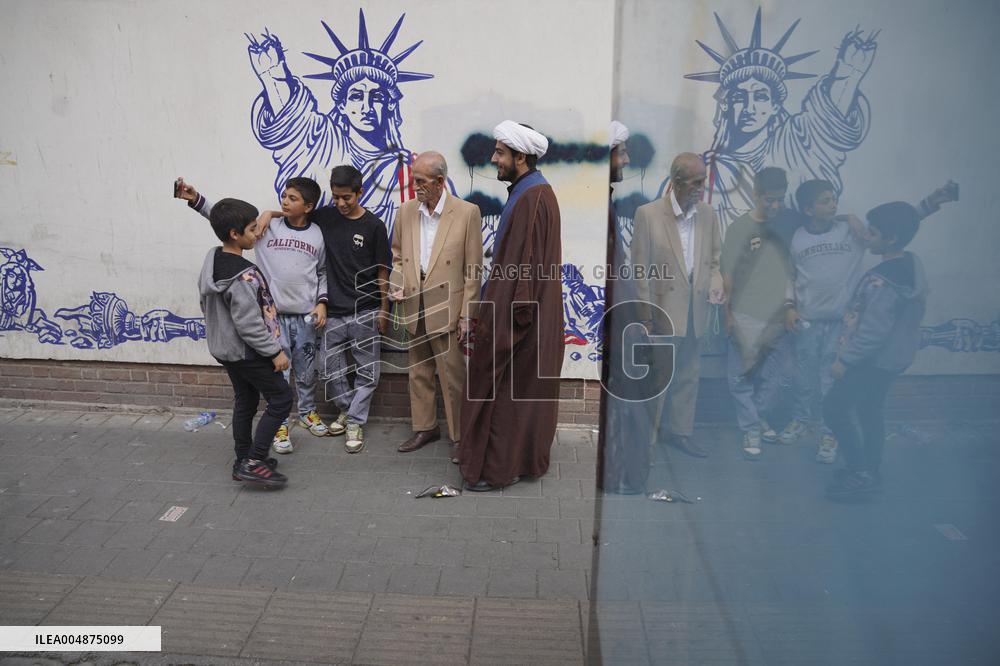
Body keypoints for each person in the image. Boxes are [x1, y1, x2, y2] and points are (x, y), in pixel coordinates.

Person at [245, 11, 431, 239]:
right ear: (341, 105)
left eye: (377, 97)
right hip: (323, 267)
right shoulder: (321, 141)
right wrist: (274, 76)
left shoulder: (409, 168)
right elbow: (291, 121)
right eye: (356, 96)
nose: (366, 106)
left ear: (390, 105)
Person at [178, 177, 330, 455]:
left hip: (306, 316)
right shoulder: (264, 227)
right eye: (283, 196)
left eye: (292, 198)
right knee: (279, 374)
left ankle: (307, 411)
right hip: (273, 320)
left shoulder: (317, 234)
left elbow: (321, 272)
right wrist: (196, 200)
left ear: (308, 206)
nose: (284, 201)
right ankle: (280, 425)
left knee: (307, 370)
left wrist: (322, 302)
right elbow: (226, 221)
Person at [458, 121, 564, 492]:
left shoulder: (532, 197)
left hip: (522, 320)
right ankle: (511, 461)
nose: (494, 159)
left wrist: (505, 325)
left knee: (506, 393)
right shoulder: (529, 191)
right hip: (525, 315)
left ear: (521, 157)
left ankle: (499, 469)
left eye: (501, 153)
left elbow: (526, 271)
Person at [824, 202, 928, 497]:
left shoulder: (882, 281)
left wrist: (845, 360)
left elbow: (872, 332)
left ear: (890, 239)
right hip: (892, 359)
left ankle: (859, 474)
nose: (866, 237)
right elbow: (907, 219)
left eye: (872, 233)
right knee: (870, 411)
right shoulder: (910, 264)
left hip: (871, 360)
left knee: (834, 409)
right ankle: (870, 469)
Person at [388, 152, 483, 460]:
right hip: (414, 304)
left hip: (448, 308)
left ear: (440, 182)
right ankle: (426, 427)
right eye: (413, 180)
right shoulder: (405, 212)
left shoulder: (467, 213)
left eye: (420, 181)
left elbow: (473, 270)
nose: (414, 187)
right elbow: (399, 256)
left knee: (453, 376)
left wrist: (468, 315)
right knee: (418, 371)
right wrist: (397, 281)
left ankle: (461, 436)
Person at [633, 153, 725, 459]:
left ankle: (681, 433)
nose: (702, 188)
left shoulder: (709, 215)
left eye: (704, 181)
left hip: (695, 311)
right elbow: (639, 270)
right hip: (662, 311)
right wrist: (646, 317)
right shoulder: (648, 214)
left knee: (689, 375)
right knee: (658, 378)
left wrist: (716, 284)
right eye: (696, 182)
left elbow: (714, 261)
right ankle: (645, 440)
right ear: (677, 182)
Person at [197, 198, 291, 488]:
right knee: (282, 399)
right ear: (235, 234)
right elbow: (249, 324)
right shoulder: (241, 275)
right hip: (249, 351)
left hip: (227, 350)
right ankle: (254, 461)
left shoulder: (213, 261)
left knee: (246, 399)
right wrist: (274, 352)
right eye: (252, 230)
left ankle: (243, 459)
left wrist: (197, 201)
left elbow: (222, 216)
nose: (257, 233)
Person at [784, 180, 867, 463]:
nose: (833, 205)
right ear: (808, 209)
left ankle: (830, 432)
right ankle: (801, 420)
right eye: (825, 201)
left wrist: (932, 203)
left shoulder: (850, 233)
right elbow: (790, 277)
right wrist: (789, 307)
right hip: (807, 322)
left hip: (839, 324)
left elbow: (896, 229)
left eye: (834, 200)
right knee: (804, 376)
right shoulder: (797, 238)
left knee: (830, 379)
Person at [313, 165, 392, 453]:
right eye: (336, 197)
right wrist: (269, 214)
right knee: (327, 369)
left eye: (347, 197)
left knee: (367, 372)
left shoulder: (374, 226)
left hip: (367, 310)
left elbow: (383, 271)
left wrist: (385, 309)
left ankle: (355, 421)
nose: (341, 203)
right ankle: (347, 410)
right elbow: (294, 215)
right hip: (332, 311)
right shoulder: (324, 218)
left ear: (360, 192)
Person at [721, 167, 794, 460]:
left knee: (776, 375)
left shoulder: (788, 223)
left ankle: (758, 418)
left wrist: (847, 219)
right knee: (739, 377)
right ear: (755, 194)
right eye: (769, 199)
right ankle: (751, 427)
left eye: (780, 199)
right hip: (745, 313)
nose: (775, 205)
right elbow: (726, 275)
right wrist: (726, 314)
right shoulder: (739, 228)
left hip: (778, 314)